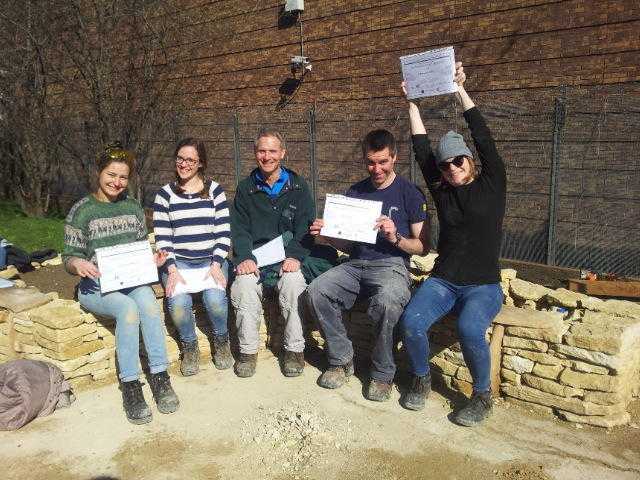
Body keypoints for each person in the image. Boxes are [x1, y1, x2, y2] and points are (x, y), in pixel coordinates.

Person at [399, 62, 506, 426]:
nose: (451, 168)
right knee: (411, 322)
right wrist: (411, 103)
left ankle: (481, 396)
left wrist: (460, 89)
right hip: (443, 281)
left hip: (483, 285)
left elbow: (484, 136)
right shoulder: (443, 191)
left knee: (470, 329)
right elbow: (421, 150)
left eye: (458, 161)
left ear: (470, 160)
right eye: (445, 166)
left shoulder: (493, 184)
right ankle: (421, 378)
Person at [307, 129, 430, 402]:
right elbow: (350, 247)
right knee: (317, 290)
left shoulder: (410, 193)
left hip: (391, 264)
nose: (377, 169)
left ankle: (382, 374)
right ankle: (341, 360)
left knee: (388, 300)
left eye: (383, 162)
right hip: (355, 264)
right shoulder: (356, 192)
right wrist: (326, 236)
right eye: (371, 162)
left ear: (394, 158)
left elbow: (422, 247)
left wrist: (394, 237)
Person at [62, 143, 179, 425]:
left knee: (149, 303)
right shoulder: (82, 211)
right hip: (96, 287)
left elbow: (139, 249)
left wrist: (153, 259)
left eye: (123, 177)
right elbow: (69, 257)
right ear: (99, 173)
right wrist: (78, 264)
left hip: (129, 280)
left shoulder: (133, 207)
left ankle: (160, 376)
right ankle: (130, 385)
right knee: (127, 309)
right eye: (111, 175)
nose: (117, 182)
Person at [230, 129, 334, 378]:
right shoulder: (245, 189)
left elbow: (306, 229)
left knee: (294, 282)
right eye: (261, 151)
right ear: (255, 154)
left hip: (289, 257)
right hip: (257, 259)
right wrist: (244, 257)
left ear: (283, 153)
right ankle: (247, 352)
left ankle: (295, 351)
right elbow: (240, 229)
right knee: (243, 286)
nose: (267, 157)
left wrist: (296, 256)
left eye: (272, 151)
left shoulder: (298, 187)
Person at [153, 138, 232, 376]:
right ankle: (189, 347)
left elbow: (224, 231)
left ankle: (222, 342)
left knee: (216, 302)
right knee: (177, 304)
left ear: (200, 163)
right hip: (180, 264)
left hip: (211, 261)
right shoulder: (164, 195)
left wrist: (217, 262)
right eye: (180, 158)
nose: (184, 164)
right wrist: (172, 270)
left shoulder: (215, 190)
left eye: (190, 160)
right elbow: (163, 238)